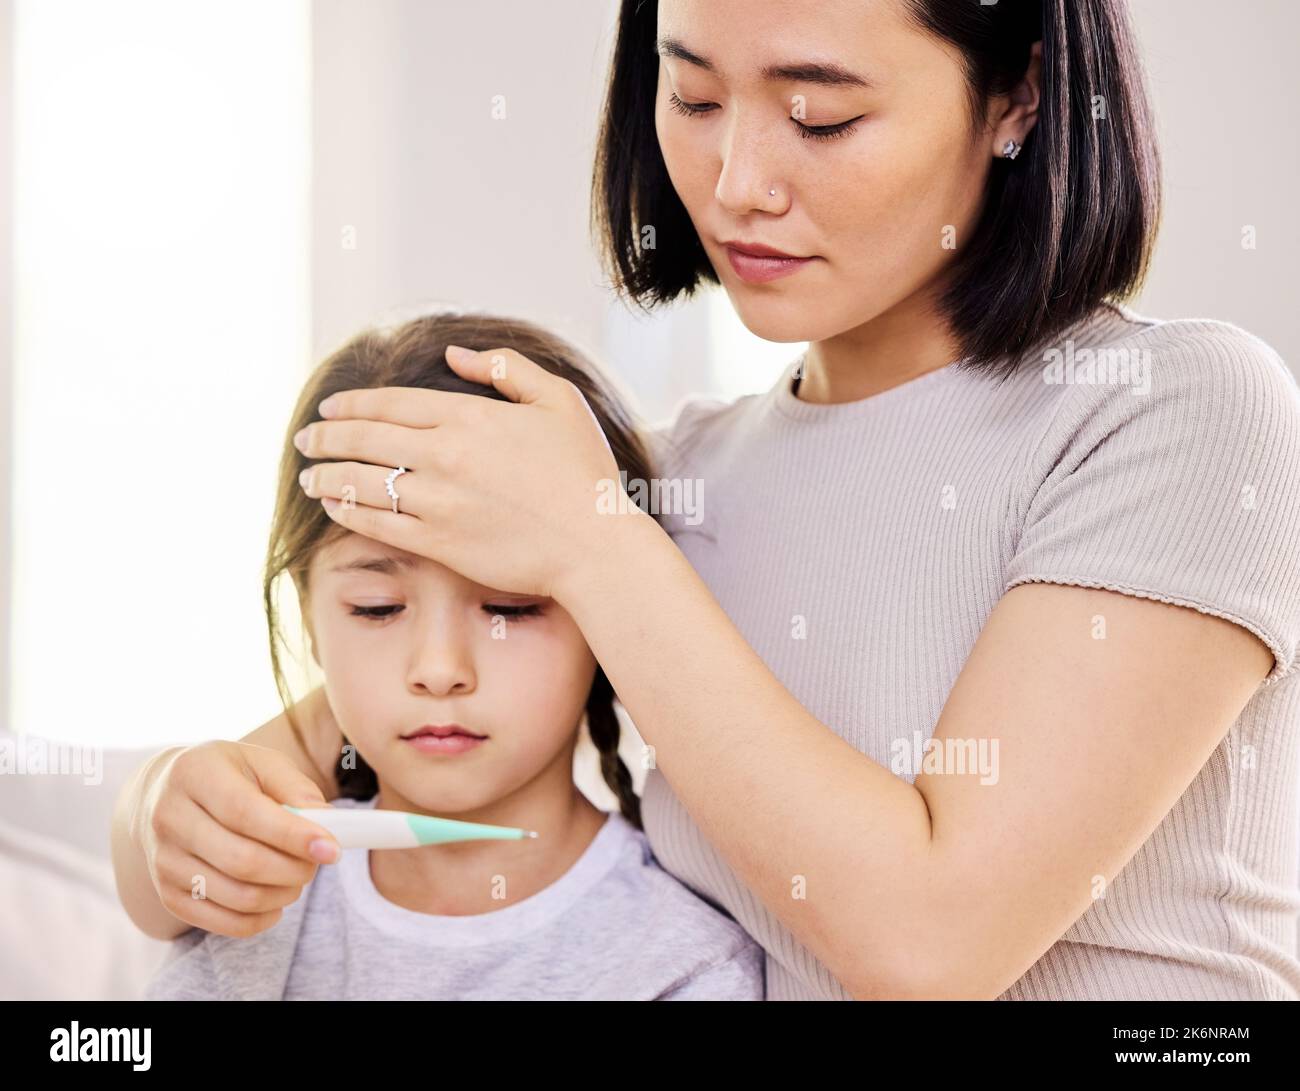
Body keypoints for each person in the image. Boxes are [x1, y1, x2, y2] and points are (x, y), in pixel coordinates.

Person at [113, 0, 1300, 999]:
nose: (735, 184)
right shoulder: (660, 482)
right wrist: (162, 812)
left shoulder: (1170, 411)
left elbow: (932, 942)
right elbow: (304, 767)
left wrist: (596, 542)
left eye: (819, 114)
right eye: (688, 98)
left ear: (1018, 100)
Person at [141, 312, 764, 1000]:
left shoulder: (680, 965)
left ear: (604, 615)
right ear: (310, 616)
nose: (439, 668)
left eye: (508, 607)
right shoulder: (253, 901)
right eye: (377, 606)